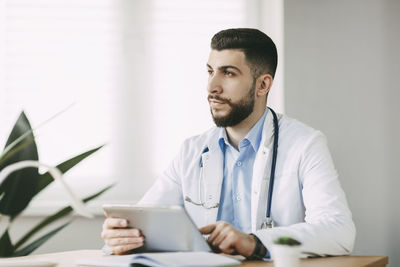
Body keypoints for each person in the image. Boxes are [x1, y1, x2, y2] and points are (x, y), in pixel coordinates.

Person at [101, 28, 356, 259]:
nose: (212, 87)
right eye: (210, 71)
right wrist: (121, 235)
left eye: (229, 73)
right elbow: (145, 220)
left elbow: (339, 230)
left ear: (263, 84)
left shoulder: (305, 144)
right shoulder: (191, 151)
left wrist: (255, 243)